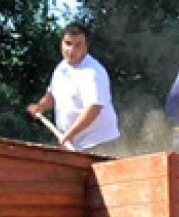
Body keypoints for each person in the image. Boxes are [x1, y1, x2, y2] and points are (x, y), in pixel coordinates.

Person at [27, 22, 120, 155]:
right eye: (68, 43)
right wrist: (40, 107)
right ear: (62, 43)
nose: (71, 50)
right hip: (74, 144)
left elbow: (94, 108)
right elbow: (52, 95)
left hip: (99, 143)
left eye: (78, 45)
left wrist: (69, 134)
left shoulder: (93, 72)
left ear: (86, 47)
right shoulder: (61, 69)